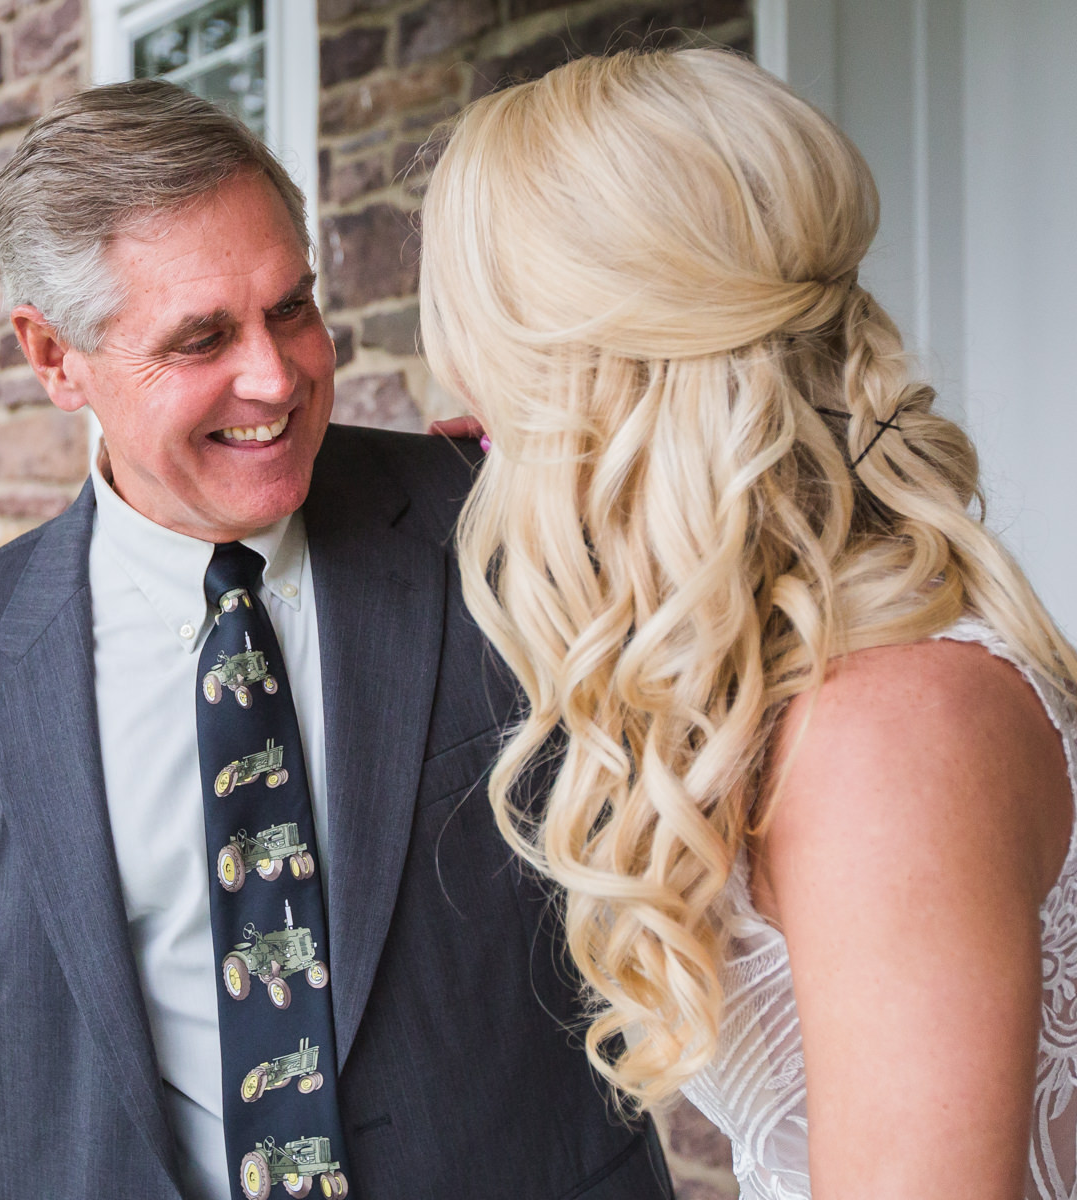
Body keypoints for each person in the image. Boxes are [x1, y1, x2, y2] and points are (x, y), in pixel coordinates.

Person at [0, 80, 673, 1200]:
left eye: (292, 307)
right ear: (53, 357)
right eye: (201, 339)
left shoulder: (503, 523)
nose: (276, 378)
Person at [419, 47, 1077, 1199]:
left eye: (495, 381)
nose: (463, 420)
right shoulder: (808, 684)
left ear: (597, 385)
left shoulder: (884, 739)